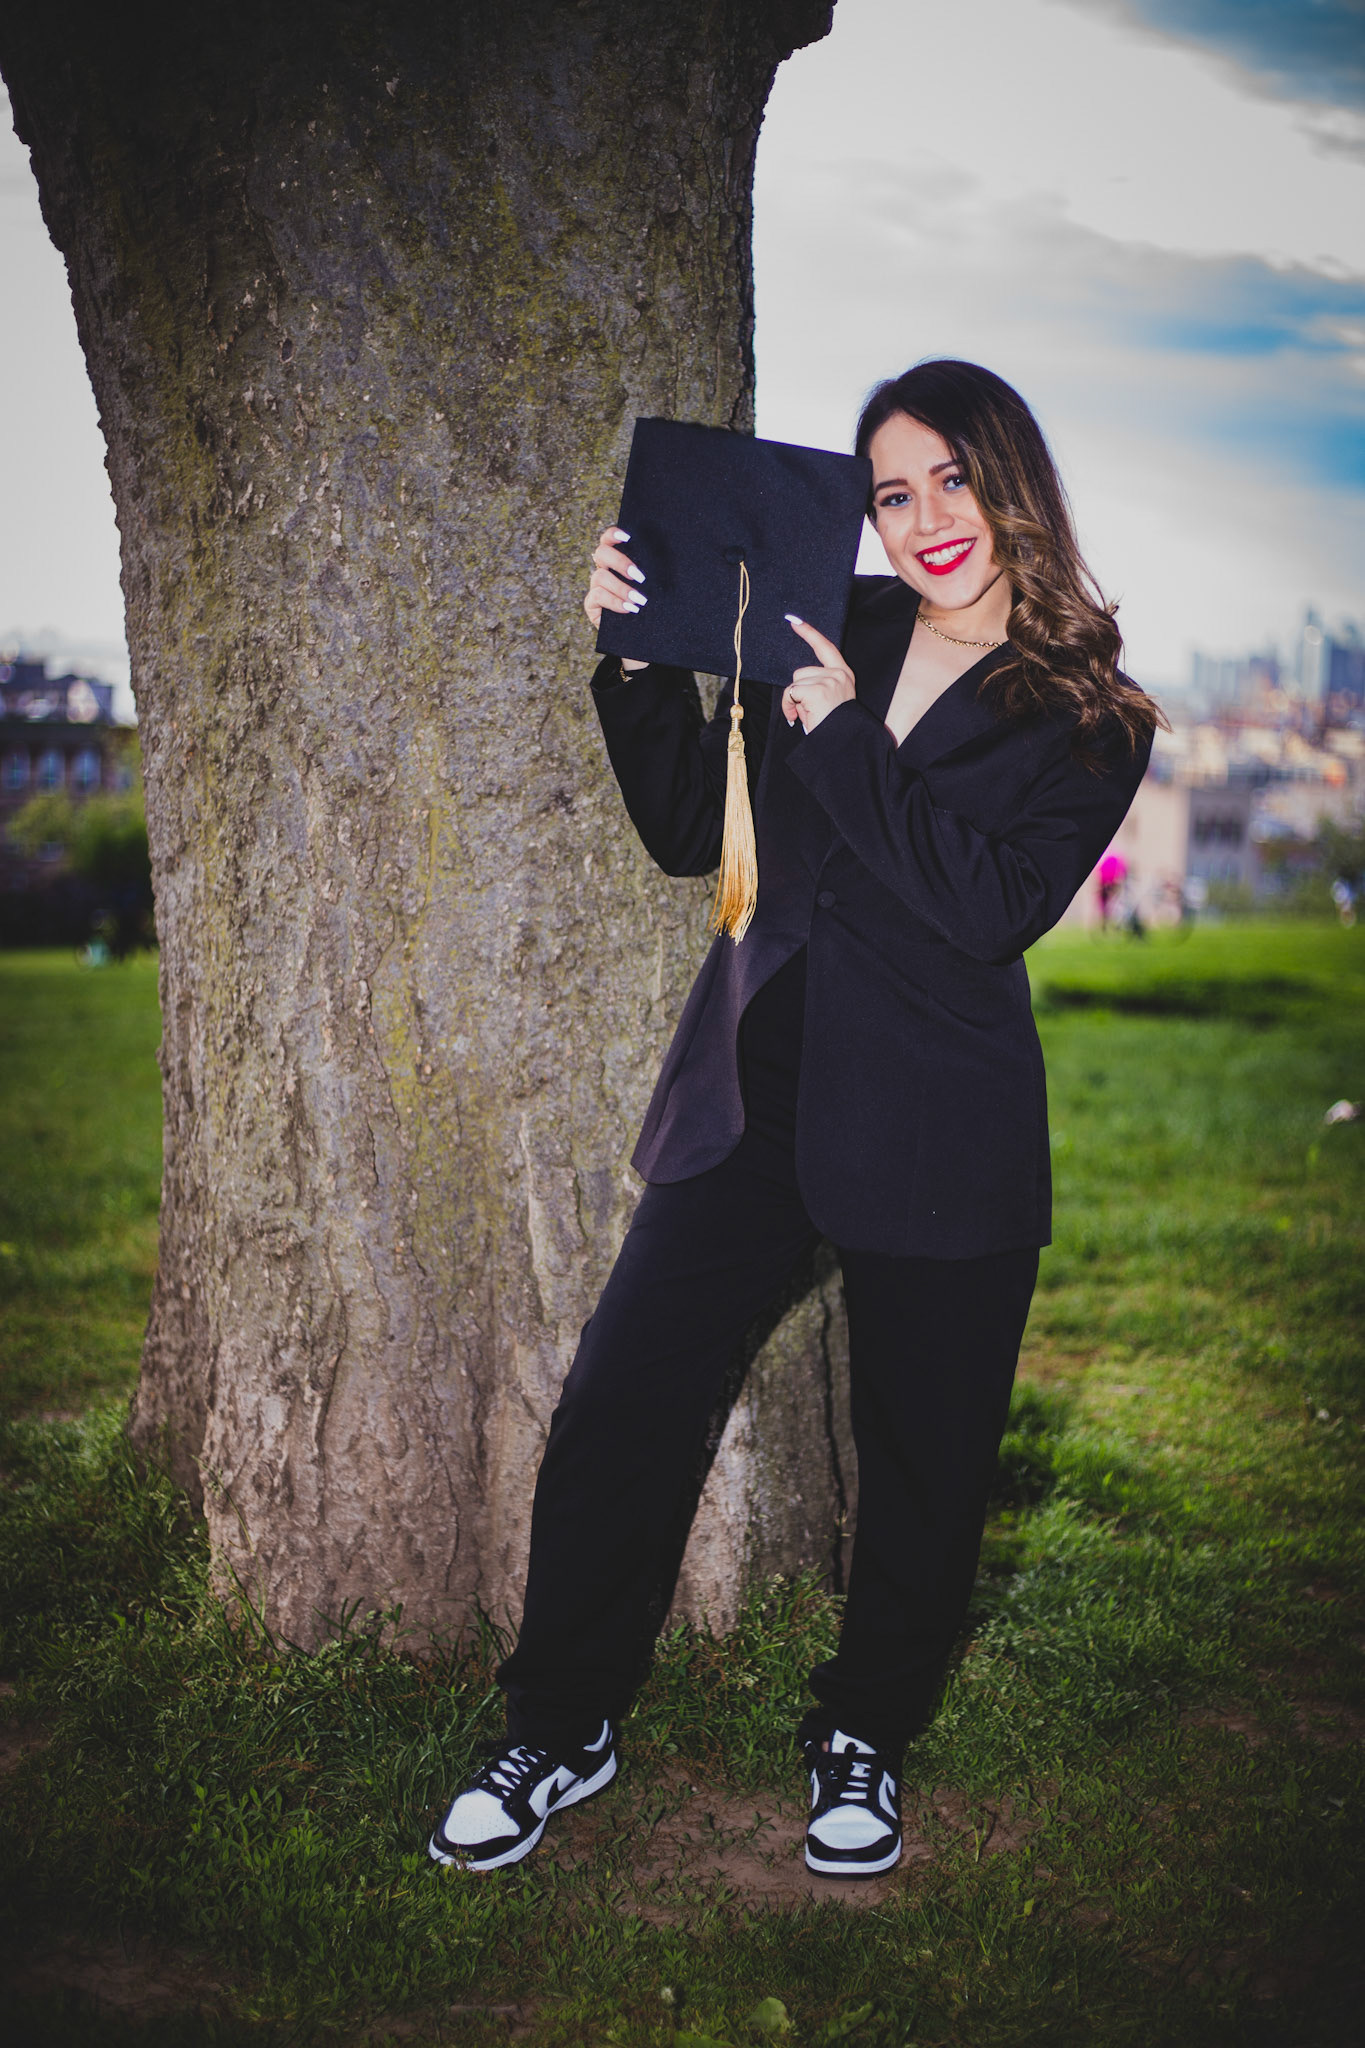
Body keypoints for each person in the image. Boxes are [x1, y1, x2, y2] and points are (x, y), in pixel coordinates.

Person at [429, 359, 1161, 1879]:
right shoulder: (832, 625)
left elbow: (987, 907)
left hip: (943, 1125)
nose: (925, 517)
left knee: (924, 1464)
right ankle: (560, 1723)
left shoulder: (1092, 714)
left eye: (952, 477)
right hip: (759, 1093)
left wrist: (842, 740)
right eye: (892, 493)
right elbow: (688, 828)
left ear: (1011, 481)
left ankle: (864, 1734)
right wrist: (637, 661)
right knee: (621, 1400)